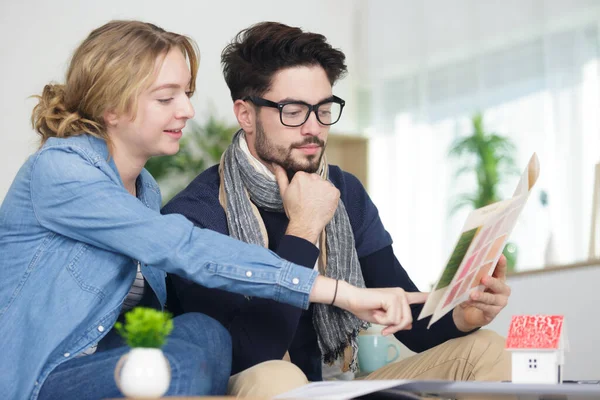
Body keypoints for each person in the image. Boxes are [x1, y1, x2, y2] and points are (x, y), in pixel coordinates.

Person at [0, 20, 420, 400]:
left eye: (186, 93)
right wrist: (339, 290)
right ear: (111, 107)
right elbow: (186, 247)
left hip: (116, 366)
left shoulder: (144, 190)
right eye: (166, 98)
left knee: (204, 333)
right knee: (185, 360)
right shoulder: (59, 171)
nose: (187, 110)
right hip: (46, 376)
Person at [162, 21, 513, 397]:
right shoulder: (195, 214)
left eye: (324, 109)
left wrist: (461, 315)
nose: (314, 128)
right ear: (246, 114)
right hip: (244, 386)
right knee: (276, 378)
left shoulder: (343, 191)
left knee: (488, 348)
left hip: (330, 387)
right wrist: (304, 228)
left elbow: (402, 307)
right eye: (294, 111)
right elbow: (248, 354)